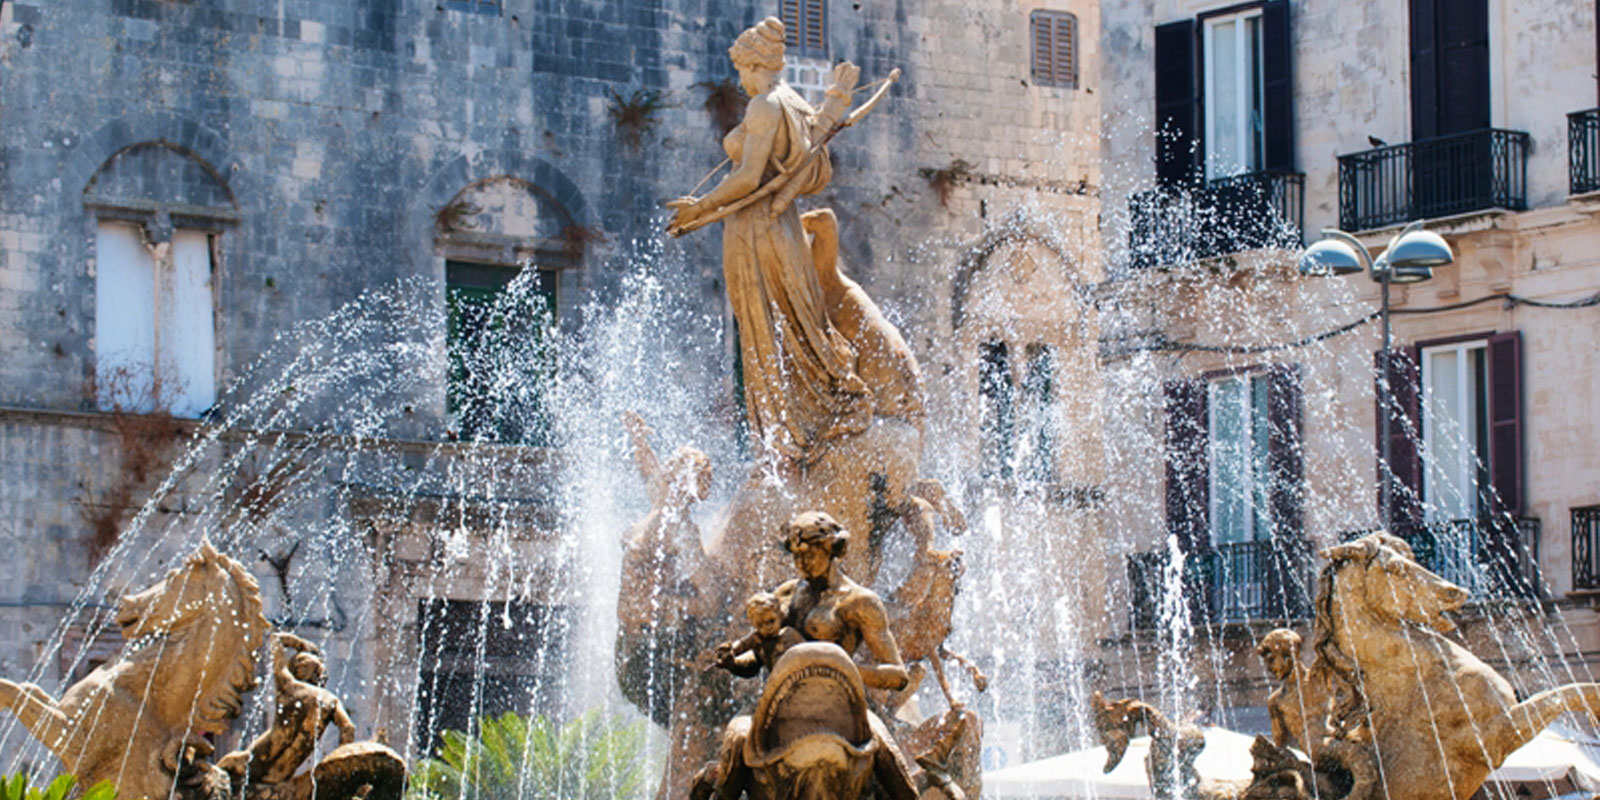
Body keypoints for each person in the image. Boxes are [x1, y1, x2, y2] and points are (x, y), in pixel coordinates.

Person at [666, 17, 873, 464]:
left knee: (764, 329)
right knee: (795, 323)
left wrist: (699, 208)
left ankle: (786, 442)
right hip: (784, 229)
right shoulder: (794, 102)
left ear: (753, 63)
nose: (738, 79)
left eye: (740, 68)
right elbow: (809, 166)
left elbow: (745, 180)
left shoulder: (763, 106)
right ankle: (807, 427)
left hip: (756, 229)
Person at [217, 633, 355, 790]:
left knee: (222, 771)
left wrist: (298, 643)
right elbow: (348, 729)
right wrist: (340, 768)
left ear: (298, 670)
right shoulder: (331, 701)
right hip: (282, 775)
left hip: (258, 761)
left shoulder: (289, 688)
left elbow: (275, 640)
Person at [710, 592, 804, 679]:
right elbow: (741, 644)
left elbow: (808, 651)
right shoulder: (757, 638)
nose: (768, 627)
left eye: (772, 621)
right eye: (760, 625)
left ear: (780, 615)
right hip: (778, 682)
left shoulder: (789, 633)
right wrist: (728, 651)